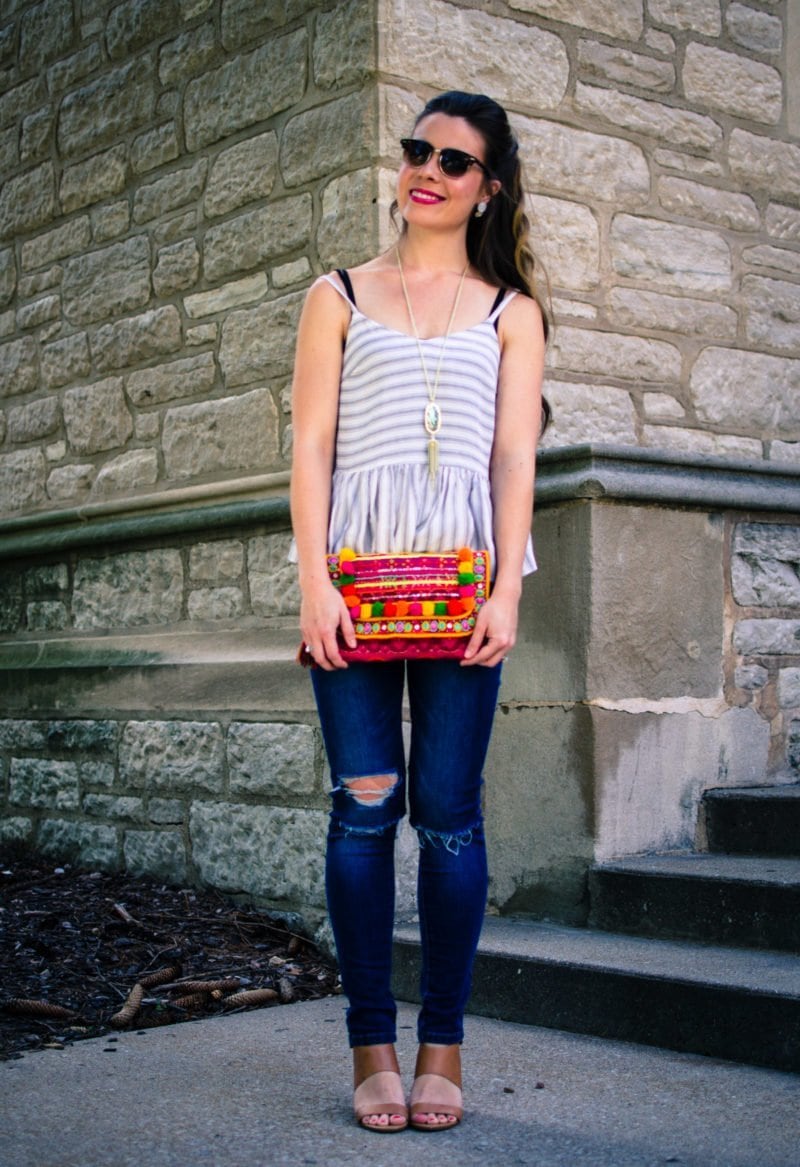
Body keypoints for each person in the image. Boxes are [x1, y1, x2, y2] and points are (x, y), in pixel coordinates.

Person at [290, 90, 548, 1133]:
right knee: (363, 809)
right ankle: (369, 1045)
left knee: (447, 818)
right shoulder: (337, 294)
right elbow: (310, 447)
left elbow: (510, 458)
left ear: (485, 186)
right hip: (350, 583)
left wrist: (504, 590)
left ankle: (440, 1042)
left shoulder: (509, 311)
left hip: (462, 590)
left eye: (453, 159)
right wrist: (311, 580)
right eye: (416, 150)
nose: (426, 170)